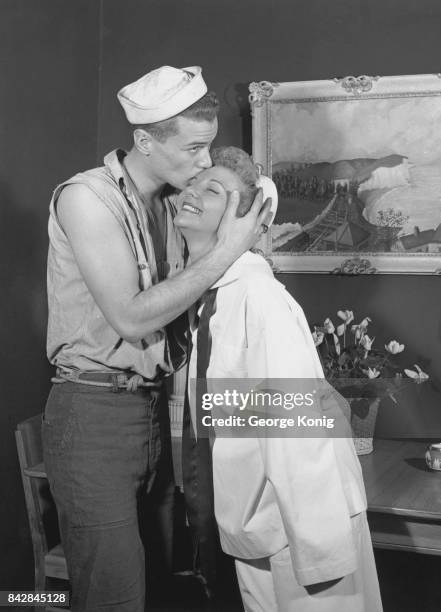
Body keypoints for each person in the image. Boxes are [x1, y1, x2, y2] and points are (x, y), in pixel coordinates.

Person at [43, 67, 271, 612]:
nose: (203, 161)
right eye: (194, 148)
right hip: (91, 411)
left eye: (208, 146)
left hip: (151, 411)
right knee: (110, 598)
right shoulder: (86, 198)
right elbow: (130, 317)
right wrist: (227, 247)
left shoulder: (176, 203)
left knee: (163, 588)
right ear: (145, 141)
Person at [175, 146, 383, 611]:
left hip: (296, 530)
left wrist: (319, 553)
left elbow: (297, 432)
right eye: (193, 183)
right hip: (254, 523)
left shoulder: (259, 300)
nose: (192, 192)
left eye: (214, 190)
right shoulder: (207, 300)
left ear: (246, 222)